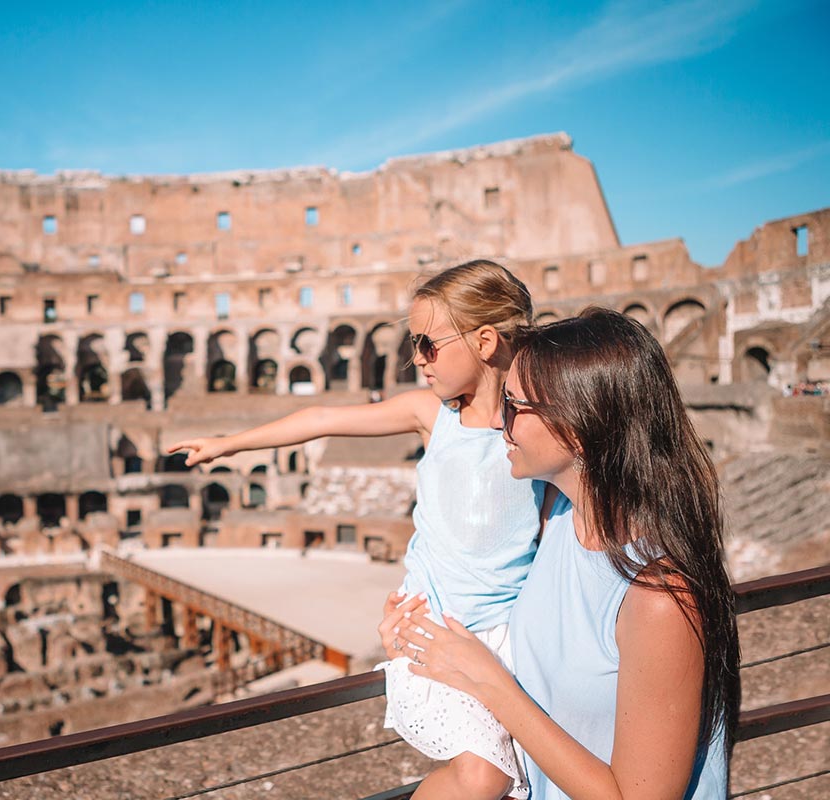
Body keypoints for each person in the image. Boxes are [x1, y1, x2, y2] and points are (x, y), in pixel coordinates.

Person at [169, 260, 543, 799]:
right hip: (433, 628)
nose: (417, 359)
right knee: (486, 776)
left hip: (513, 637)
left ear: (485, 341)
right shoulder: (430, 416)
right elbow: (321, 418)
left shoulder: (539, 426)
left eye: (428, 344)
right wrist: (228, 443)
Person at [393, 308, 740, 799]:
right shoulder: (557, 518)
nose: (496, 421)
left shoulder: (660, 596)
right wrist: (413, 630)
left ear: (576, 426)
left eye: (512, 405)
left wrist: (492, 684)